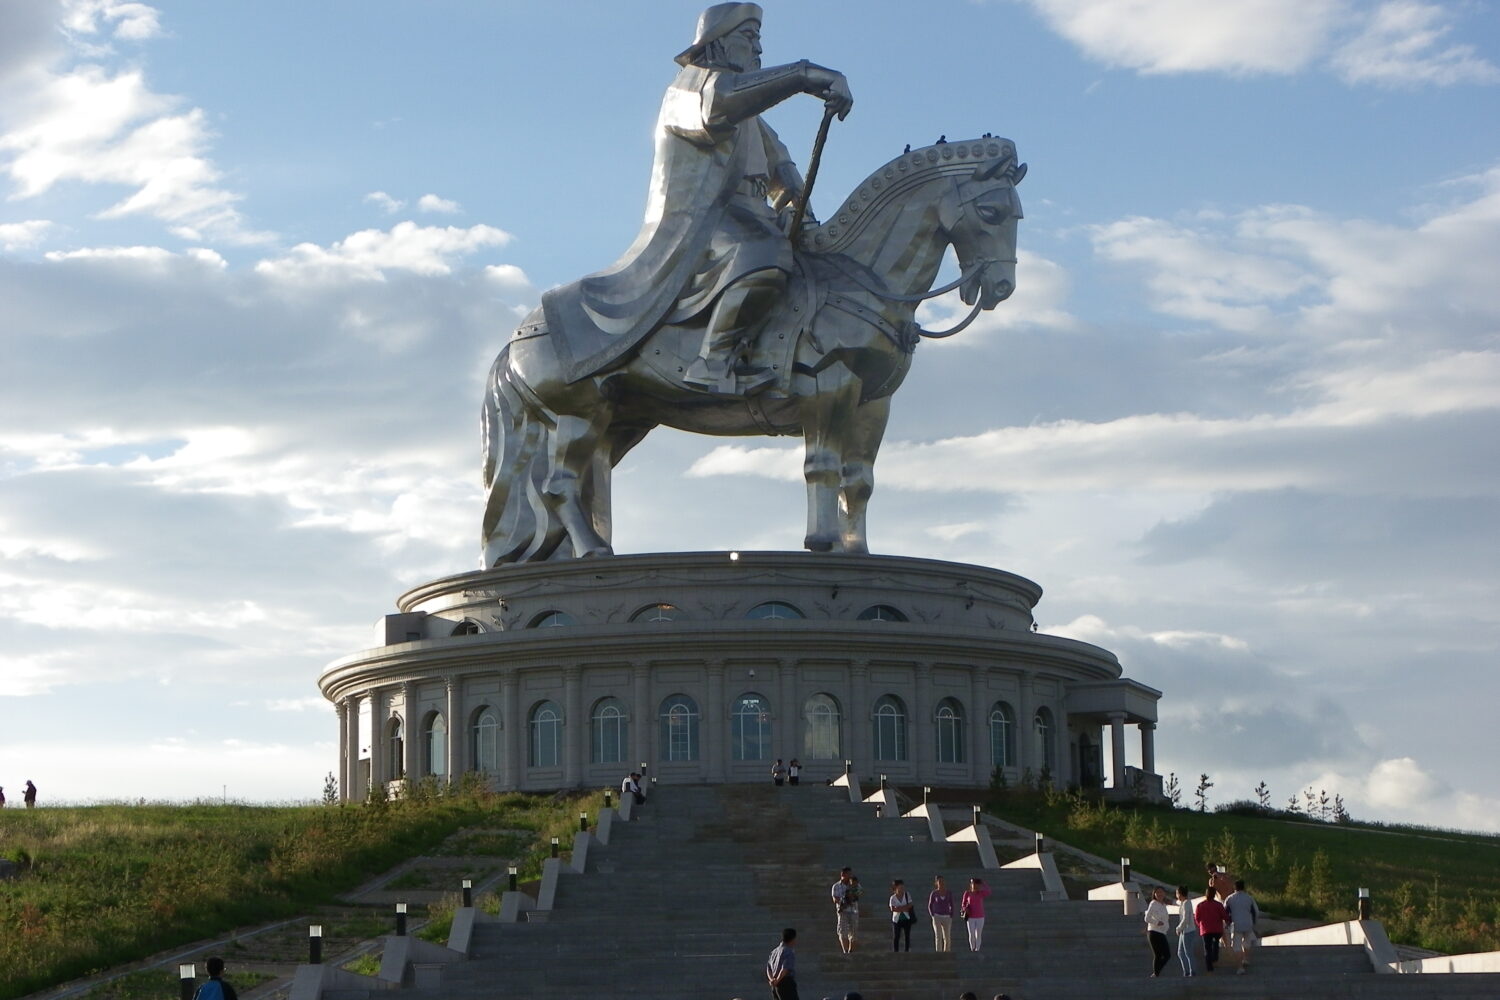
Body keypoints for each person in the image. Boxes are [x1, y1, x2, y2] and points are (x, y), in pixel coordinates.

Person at [539, 3, 854, 396]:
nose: (758, 50)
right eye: (748, 38)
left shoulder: (754, 117)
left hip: (753, 213)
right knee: (762, 255)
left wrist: (801, 214)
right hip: (706, 219)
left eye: (760, 41)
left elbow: (782, 171)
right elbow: (718, 105)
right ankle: (713, 362)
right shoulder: (689, 89)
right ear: (717, 45)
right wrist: (804, 75)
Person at [1224, 879, 1259, 974]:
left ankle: (1240, 967)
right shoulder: (1249, 898)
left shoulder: (1230, 898)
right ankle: (1246, 958)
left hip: (1236, 925)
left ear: (1234, 888)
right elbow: (1255, 911)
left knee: (1237, 946)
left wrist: (1227, 923)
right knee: (1247, 943)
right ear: (1244, 887)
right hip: (1248, 924)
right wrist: (1254, 923)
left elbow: (1225, 912)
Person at [1194, 884, 1226, 972]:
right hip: (1217, 929)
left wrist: (1200, 925)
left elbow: (1197, 918)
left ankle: (1209, 966)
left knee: (1207, 948)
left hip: (1205, 929)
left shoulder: (1200, 905)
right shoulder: (1218, 905)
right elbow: (1224, 915)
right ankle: (1215, 957)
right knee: (1215, 943)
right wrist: (1228, 921)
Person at [1143, 885, 1173, 977]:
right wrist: (1156, 922)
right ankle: (1156, 974)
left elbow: (1166, 919)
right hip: (1154, 931)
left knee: (1167, 955)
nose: (1159, 894)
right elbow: (1147, 918)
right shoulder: (1153, 903)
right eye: (1157, 892)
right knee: (1158, 954)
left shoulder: (1164, 905)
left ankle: (1156, 973)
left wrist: (1166, 927)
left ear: (1164, 893)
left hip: (1162, 932)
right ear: (1154, 894)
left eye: (1161, 892)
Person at [831, 867, 860, 953]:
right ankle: (845, 950)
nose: (850, 876)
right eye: (848, 874)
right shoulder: (836, 886)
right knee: (842, 931)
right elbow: (834, 898)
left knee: (853, 932)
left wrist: (852, 896)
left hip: (853, 910)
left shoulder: (854, 884)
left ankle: (851, 950)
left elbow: (859, 893)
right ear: (843, 875)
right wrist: (842, 901)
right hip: (843, 911)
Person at [766, 927, 799, 1000]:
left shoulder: (774, 951)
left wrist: (772, 980)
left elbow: (768, 968)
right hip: (785, 983)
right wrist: (778, 980)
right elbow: (785, 969)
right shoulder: (788, 951)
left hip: (775, 986)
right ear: (793, 939)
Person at [960, 876, 991, 952]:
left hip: (980, 916)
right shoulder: (967, 893)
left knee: (978, 934)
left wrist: (983, 883)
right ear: (971, 885)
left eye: (977, 885)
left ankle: (977, 949)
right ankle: (972, 948)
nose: (975, 886)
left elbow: (988, 891)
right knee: (972, 934)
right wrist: (965, 909)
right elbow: (963, 904)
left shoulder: (981, 893)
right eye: (974, 884)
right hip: (970, 917)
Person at [1175, 885, 1199, 977]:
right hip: (1184, 931)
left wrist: (1179, 928)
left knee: (1188, 952)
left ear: (1179, 894)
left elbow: (1186, 919)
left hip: (1188, 930)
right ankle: (1186, 971)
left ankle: (1192, 971)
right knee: (1180, 952)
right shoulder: (1183, 903)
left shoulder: (1186, 903)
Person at [927, 874, 954, 952]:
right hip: (937, 916)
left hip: (947, 916)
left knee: (947, 936)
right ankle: (938, 952)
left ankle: (947, 951)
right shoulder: (934, 893)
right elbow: (930, 904)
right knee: (938, 935)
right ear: (936, 883)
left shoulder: (948, 893)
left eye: (942, 881)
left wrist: (951, 914)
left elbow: (951, 904)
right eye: (939, 882)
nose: (941, 883)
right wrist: (932, 914)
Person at [889, 879, 915, 952]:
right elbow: (893, 909)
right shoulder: (893, 898)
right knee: (896, 936)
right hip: (897, 919)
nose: (902, 888)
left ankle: (907, 950)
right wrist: (903, 908)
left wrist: (900, 908)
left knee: (907, 935)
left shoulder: (907, 895)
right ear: (896, 887)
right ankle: (895, 951)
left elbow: (910, 905)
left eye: (902, 887)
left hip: (906, 918)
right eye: (900, 887)